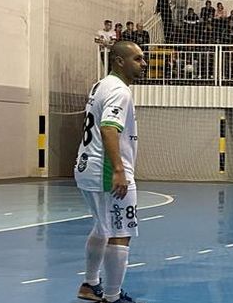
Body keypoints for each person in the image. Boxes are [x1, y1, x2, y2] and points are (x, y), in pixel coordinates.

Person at [74, 41, 147, 303]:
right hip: (105, 171)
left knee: (103, 227)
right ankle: (113, 297)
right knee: (120, 233)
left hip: (86, 167)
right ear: (119, 61)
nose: (144, 63)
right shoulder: (119, 91)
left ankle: (90, 284)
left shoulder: (101, 85)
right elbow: (108, 128)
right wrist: (118, 170)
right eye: (137, 59)